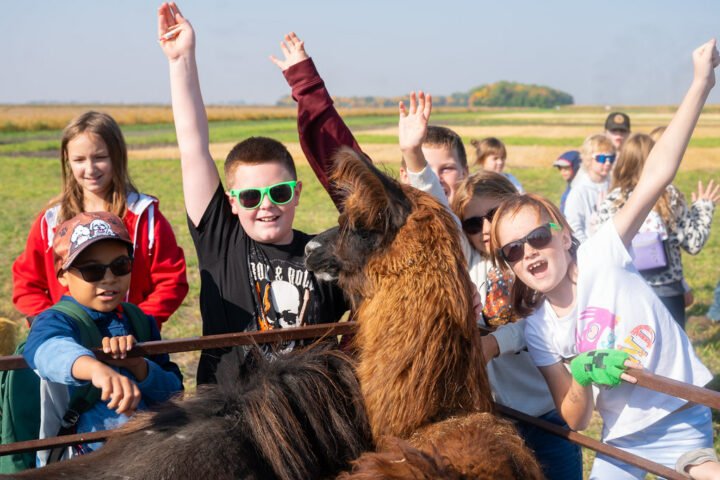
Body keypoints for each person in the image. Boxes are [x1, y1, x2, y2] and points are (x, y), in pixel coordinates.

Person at [490, 39, 720, 479]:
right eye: (514, 250)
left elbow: (657, 173)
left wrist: (700, 83)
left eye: (537, 237)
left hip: (681, 413)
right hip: (620, 439)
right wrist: (582, 372)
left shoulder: (604, 251)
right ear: (510, 265)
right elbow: (576, 419)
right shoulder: (541, 329)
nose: (529, 251)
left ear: (564, 236)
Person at [157, 3, 347, 384]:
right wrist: (182, 61)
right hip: (229, 421)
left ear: (296, 193)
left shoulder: (328, 257)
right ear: (231, 202)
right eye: (249, 197)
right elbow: (192, 145)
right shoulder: (221, 241)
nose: (265, 206)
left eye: (278, 192)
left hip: (307, 420)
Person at [397, 91, 581, 480]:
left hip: (548, 412)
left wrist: (496, 342)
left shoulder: (530, 260)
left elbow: (543, 318)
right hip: (495, 416)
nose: (485, 229)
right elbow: (436, 206)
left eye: (495, 215)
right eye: (471, 222)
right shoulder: (465, 258)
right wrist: (413, 154)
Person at [23, 211, 183, 466]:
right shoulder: (56, 321)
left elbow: (174, 392)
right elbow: (47, 350)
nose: (109, 278)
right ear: (62, 274)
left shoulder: (140, 321)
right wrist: (96, 369)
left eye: (120, 266)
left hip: (148, 459)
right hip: (82, 465)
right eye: (92, 271)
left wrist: (139, 367)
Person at [12, 111, 188, 330]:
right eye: (79, 160)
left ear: (117, 156)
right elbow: (28, 283)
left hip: (132, 344)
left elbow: (171, 280)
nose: (90, 168)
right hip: (71, 342)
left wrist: (136, 324)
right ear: (67, 161)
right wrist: (53, 325)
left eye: (100, 157)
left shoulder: (145, 217)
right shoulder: (50, 221)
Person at [596, 133, 718, 329]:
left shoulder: (611, 201)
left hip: (625, 289)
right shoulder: (669, 196)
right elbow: (694, 243)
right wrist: (704, 208)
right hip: (667, 291)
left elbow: (602, 249)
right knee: (672, 355)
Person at [398, 125, 469, 205]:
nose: (436, 178)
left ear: (465, 173)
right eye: (425, 170)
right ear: (405, 176)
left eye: (447, 169)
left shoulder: (480, 215)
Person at [563, 134, 615, 242]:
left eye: (611, 158)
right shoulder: (578, 191)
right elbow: (574, 228)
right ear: (588, 159)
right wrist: (589, 251)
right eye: (601, 158)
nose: (608, 162)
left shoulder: (615, 186)